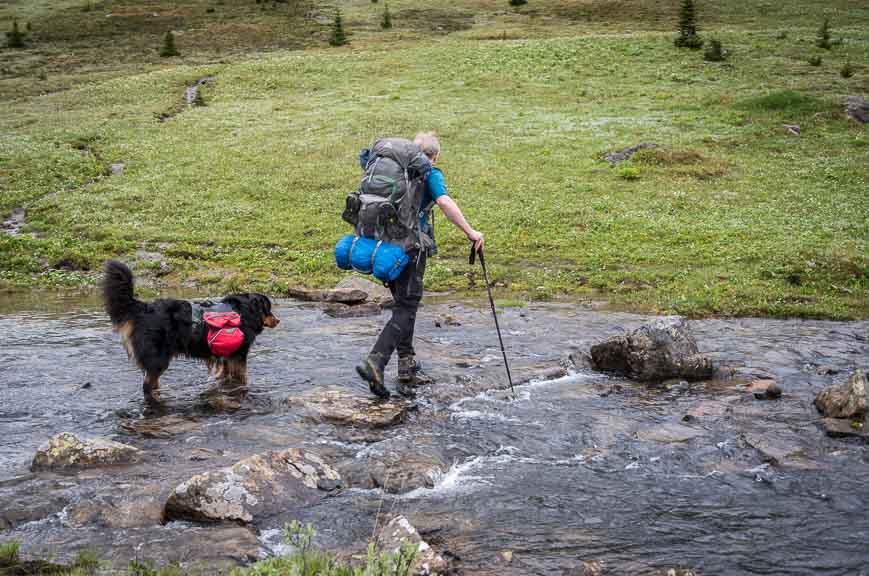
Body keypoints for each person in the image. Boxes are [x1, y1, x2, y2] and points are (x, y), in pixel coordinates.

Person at [356, 132, 484, 398]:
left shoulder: (390, 169)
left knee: (403, 303)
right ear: (434, 156)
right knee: (407, 305)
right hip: (412, 248)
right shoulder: (430, 174)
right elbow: (445, 202)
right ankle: (376, 361)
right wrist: (471, 232)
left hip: (382, 248)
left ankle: (406, 365)